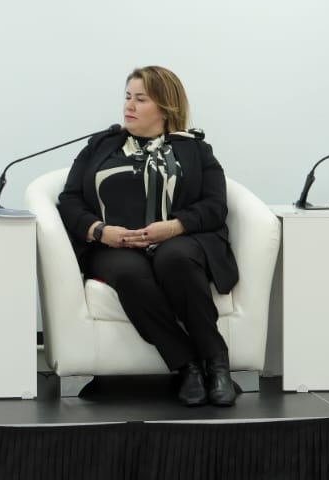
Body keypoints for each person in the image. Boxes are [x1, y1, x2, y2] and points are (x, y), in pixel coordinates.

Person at [58, 66, 239, 407]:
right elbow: (69, 199)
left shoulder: (195, 150)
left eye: (141, 99)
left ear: (166, 107)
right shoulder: (101, 146)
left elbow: (215, 206)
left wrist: (173, 226)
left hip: (178, 239)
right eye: (128, 97)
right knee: (130, 273)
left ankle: (217, 364)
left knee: (176, 260)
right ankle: (187, 365)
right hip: (114, 245)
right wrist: (100, 231)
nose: (129, 106)